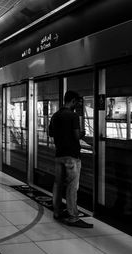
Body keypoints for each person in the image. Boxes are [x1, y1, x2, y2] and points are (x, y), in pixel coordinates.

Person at [48, 90, 93, 228]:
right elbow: (76, 136)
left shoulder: (55, 115)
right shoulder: (73, 116)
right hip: (72, 156)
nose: (77, 104)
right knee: (72, 186)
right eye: (77, 102)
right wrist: (82, 133)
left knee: (58, 183)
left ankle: (56, 212)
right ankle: (73, 217)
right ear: (72, 101)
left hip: (59, 154)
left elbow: (50, 133)